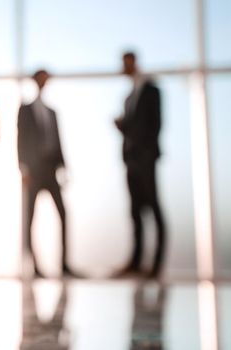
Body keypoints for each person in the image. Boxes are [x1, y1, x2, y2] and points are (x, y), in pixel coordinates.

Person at [114, 52, 166, 278]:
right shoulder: (129, 97)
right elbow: (132, 129)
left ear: (132, 63)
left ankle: (156, 265)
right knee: (135, 211)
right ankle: (136, 262)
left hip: (145, 158)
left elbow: (155, 125)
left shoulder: (151, 90)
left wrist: (145, 151)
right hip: (131, 159)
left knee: (153, 208)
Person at [17, 70, 73, 278]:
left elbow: (58, 141)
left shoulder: (52, 112)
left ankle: (64, 264)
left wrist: (63, 167)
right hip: (33, 171)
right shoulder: (25, 110)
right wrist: (22, 167)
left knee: (63, 214)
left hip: (51, 169)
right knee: (30, 218)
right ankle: (35, 267)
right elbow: (20, 139)